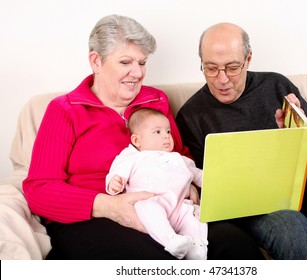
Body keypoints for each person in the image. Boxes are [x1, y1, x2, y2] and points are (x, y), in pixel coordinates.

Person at [22, 15, 264, 260]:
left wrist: (188, 182)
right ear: (96, 61)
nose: (137, 73)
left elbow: (178, 153)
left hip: (169, 207)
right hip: (96, 219)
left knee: (237, 246)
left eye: (142, 62)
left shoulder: (155, 100)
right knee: (156, 261)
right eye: (126, 62)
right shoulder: (65, 109)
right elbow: (39, 189)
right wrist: (108, 206)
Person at [176, 22, 307, 260]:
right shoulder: (191, 115)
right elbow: (202, 185)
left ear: (248, 59)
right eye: (211, 68)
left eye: (232, 67)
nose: (222, 79)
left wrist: (296, 133)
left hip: (302, 183)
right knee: (292, 231)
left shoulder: (276, 85)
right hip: (248, 202)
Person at [106, 108, 207, 259]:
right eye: (158, 132)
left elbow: (199, 174)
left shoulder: (178, 158)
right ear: (136, 140)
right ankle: (171, 240)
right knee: (146, 207)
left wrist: (216, 180)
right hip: (153, 202)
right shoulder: (133, 157)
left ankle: (196, 248)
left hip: (179, 207)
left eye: (168, 132)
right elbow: (116, 172)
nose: (166, 137)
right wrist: (115, 182)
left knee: (193, 215)